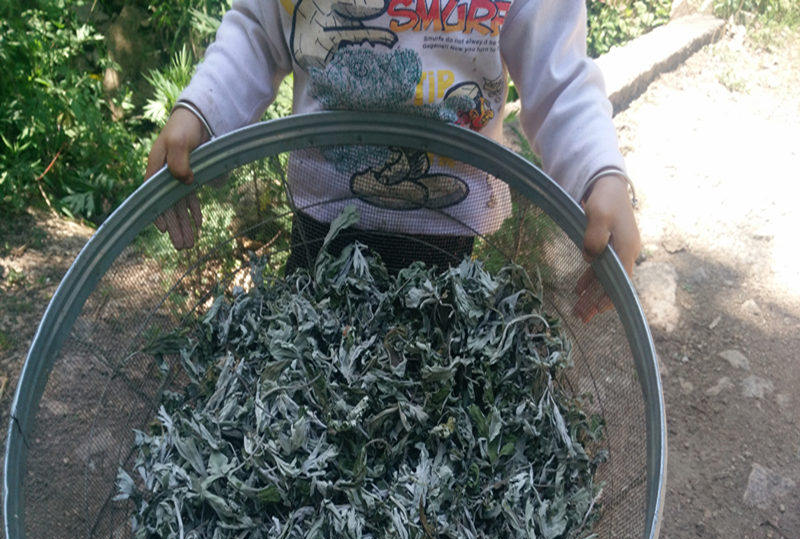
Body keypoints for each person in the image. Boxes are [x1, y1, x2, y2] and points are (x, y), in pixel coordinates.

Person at [145, 0, 640, 322]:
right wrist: (202, 110)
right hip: (324, 224)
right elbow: (257, 32)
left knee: (439, 378)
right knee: (309, 363)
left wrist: (599, 172)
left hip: (447, 237)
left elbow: (560, 78)